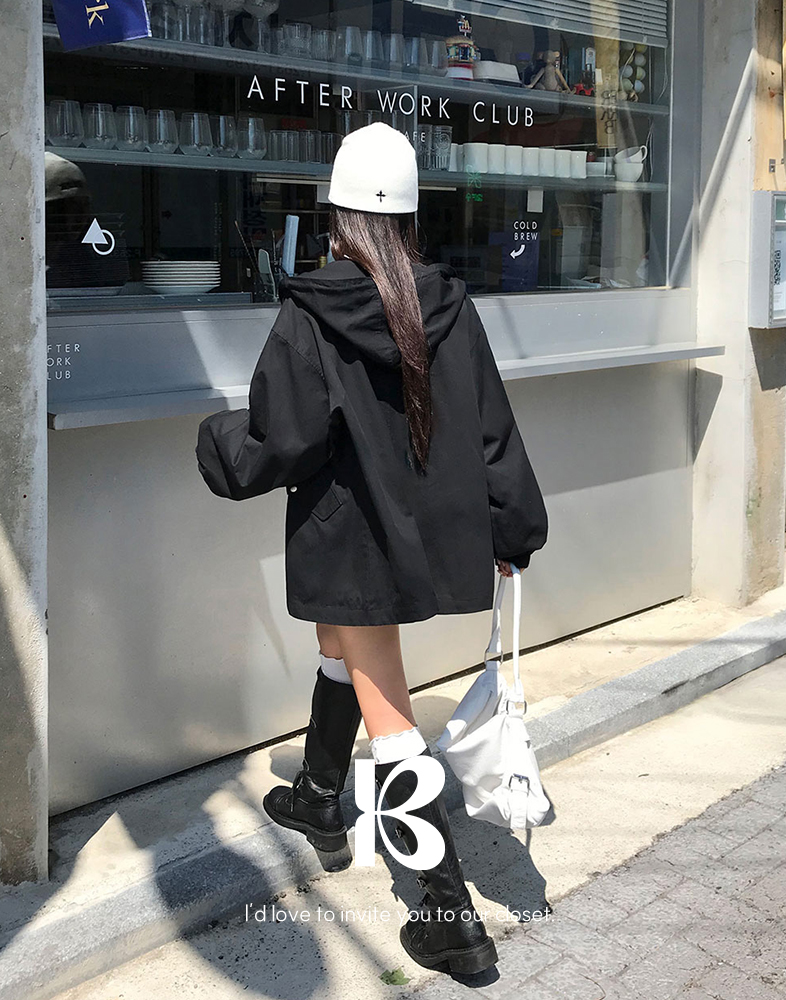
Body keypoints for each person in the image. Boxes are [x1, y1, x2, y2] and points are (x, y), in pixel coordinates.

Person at [195, 122, 548, 977]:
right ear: (412, 217)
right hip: (421, 533)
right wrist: (514, 529)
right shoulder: (449, 306)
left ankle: (449, 919)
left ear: (338, 216)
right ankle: (320, 794)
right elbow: (492, 430)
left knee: (392, 724)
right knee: (340, 645)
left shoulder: (310, 312)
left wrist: (215, 443)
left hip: (350, 538)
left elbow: (283, 439)